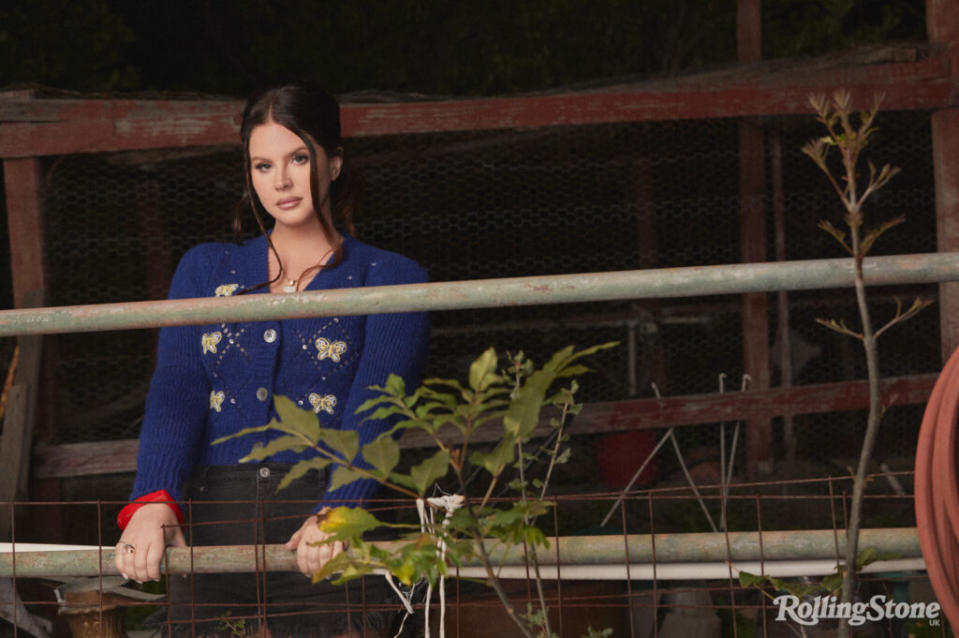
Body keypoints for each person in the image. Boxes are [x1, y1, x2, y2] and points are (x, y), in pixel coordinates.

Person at [114, 83, 431, 637]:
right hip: (214, 526)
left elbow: (378, 407)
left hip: (321, 528)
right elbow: (178, 388)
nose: (280, 181)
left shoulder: (391, 276)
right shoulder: (204, 271)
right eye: (263, 165)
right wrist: (153, 499)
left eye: (298, 158)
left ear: (333, 162)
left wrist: (341, 512)